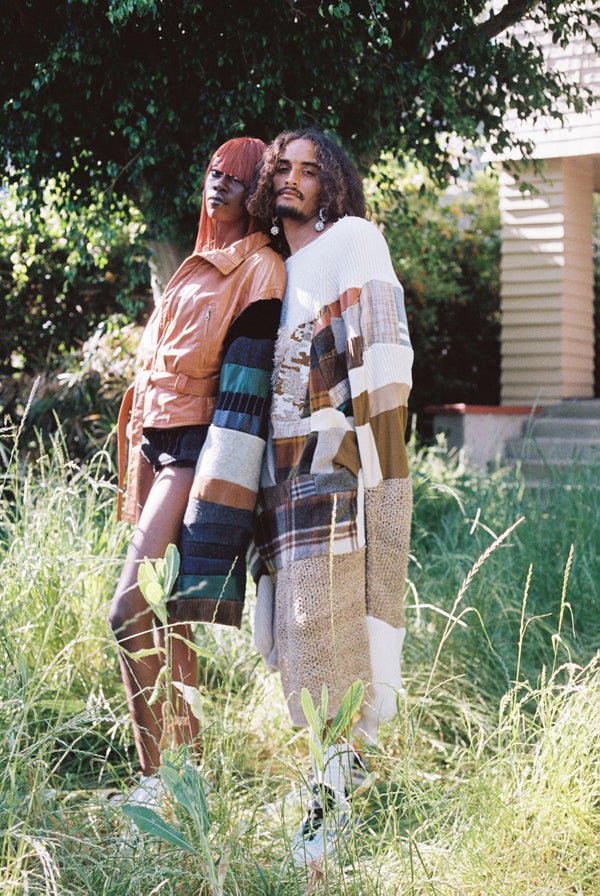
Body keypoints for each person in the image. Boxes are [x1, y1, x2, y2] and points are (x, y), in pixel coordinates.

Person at [246, 129, 413, 864]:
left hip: (336, 468)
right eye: (282, 167)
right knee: (301, 642)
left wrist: (372, 462)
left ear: (332, 185)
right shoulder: (273, 270)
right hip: (279, 483)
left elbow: (385, 348)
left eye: (310, 170)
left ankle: (331, 805)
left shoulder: (352, 240)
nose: (293, 178)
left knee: (326, 633)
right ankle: (336, 778)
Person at [109, 137, 286, 806]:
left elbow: (243, 389)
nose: (219, 185)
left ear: (257, 194)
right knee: (168, 615)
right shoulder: (196, 263)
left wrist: (219, 491)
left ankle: (154, 781)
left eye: (237, 179)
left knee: (127, 610)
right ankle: (187, 783)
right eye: (214, 172)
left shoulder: (260, 267)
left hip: (193, 451)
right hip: (154, 447)